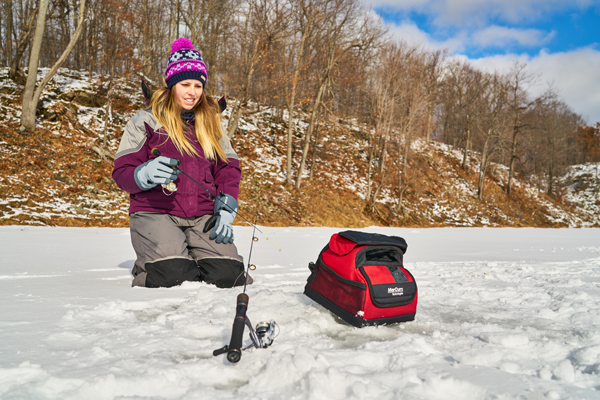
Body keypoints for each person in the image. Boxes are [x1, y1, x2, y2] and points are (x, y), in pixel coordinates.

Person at [112, 37, 249, 289]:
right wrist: (143, 174)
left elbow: (228, 168)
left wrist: (227, 205)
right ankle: (153, 261)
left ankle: (193, 255)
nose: (192, 92)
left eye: (198, 85)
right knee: (173, 276)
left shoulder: (211, 122)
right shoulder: (145, 120)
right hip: (155, 212)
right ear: (172, 84)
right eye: (185, 84)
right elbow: (121, 172)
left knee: (230, 276)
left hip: (202, 216)